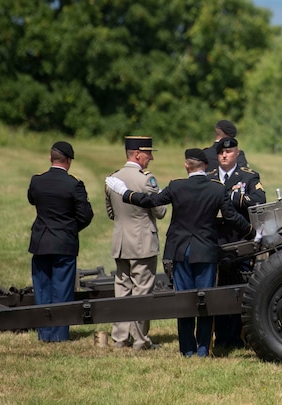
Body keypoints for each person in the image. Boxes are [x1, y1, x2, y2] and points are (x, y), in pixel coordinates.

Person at [106, 149, 254, 358]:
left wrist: (125, 193)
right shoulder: (216, 189)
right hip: (205, 252)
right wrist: (251, 232)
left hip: (180, 250)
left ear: (187, 165)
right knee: (206, 301)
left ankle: (187, 349)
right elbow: (232, 217)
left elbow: (151, 201)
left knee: (183, 301)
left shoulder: (177, 186)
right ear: (206, 167)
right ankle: (203, 349)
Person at [26, 141, 94, 342]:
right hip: (64, 243)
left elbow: (32, 200)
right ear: (69, 161)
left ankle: (44, 334)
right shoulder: (74, 184)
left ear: (50, 158)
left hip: (41, 241)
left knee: (42, 289)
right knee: (62, 290)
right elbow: (86, 215)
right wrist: (70, 230)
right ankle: (59, 335)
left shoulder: (37, 181)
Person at [105, 135, 167, 351]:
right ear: (137, 154)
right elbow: (160, 211)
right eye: (148, 153)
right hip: (143, 242)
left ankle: (120, 339)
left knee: (122, 290)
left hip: (121, 242)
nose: (151, 158)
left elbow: (111, 213)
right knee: (142, 292)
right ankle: (140, 340)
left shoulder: (113, 179)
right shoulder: (146, 180)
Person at [208, 136, 264, 352]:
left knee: (241, 288)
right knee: (220, 289)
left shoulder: (248, 177)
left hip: (240, 239)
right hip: (217, 238)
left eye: (229, 152)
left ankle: (238, 336)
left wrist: (234, 198)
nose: (224, 155)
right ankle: (221, 336)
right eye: (221, 152)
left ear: (237, 154)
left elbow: (259, 200)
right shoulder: (209, 177)